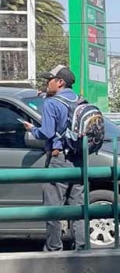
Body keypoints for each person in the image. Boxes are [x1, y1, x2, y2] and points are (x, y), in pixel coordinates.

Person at [21, 65, 86, 251]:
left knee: (53, 207)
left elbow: (47, 132)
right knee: (78, 208)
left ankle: (53, 248)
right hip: (78, 158)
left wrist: (32, 129)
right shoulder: (80, 100)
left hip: (59, 159)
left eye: (49, 80)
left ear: (60, 82)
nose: (46, 83)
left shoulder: (52, 103)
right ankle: (82, 248)